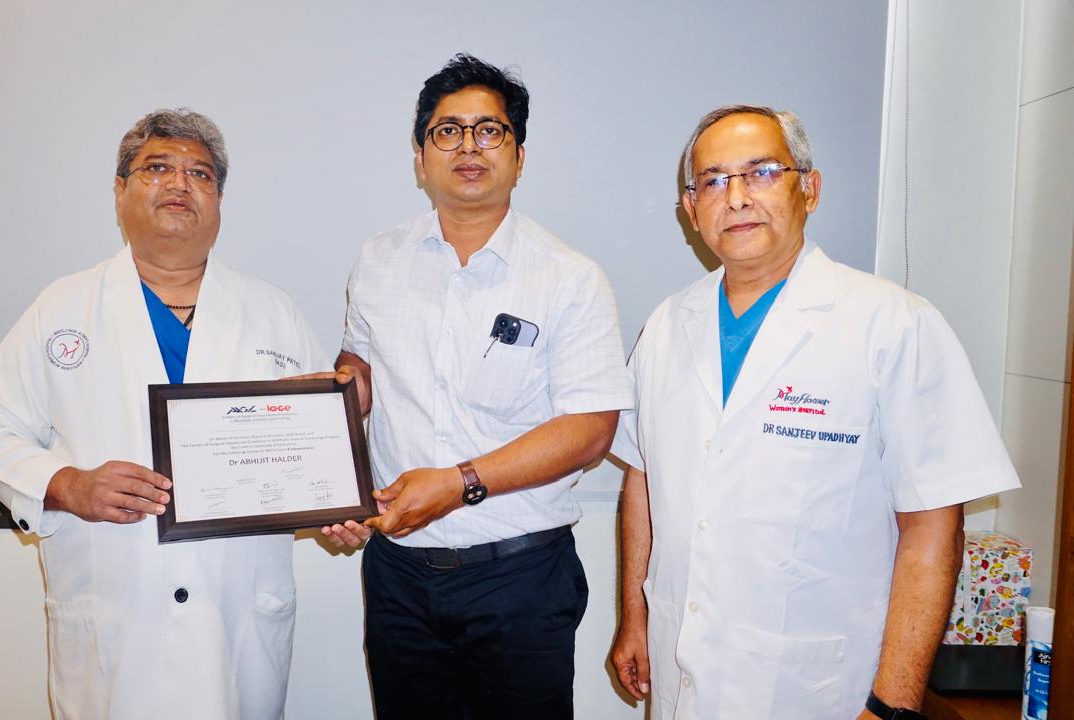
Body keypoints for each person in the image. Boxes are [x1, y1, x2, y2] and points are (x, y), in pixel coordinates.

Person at [609, 105, 1020, 720]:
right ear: (691, 209)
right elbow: (643, 481)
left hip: (820, 687)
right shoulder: (666, 327)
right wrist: (635, 617)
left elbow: (933, 529)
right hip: (679, 668)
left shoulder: (894, 325)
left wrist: (892, 706)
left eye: (762, 172)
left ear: (810, 188)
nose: (737, 197)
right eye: (713, 181)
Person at [0, 108, 328, 719]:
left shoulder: (273, 312)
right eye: (158, 168)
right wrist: (67, 485)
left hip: (235, 618)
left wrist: (331, 506)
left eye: (200, 174)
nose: (180, 183)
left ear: (219, 199)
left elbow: (316, 451)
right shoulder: (63, 308)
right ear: (120, 190)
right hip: (114, 619)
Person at [317, 54, 633, 719]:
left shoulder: (570, 278)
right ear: (420, 157)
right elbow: (360, 368)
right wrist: (327, 415)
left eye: (489, 131)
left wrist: (458, 483)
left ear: (519, 157)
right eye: (447, 131)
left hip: (520, 577)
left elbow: (590, 429)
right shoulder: (378, 259)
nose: (468, 146)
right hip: (399, 574)